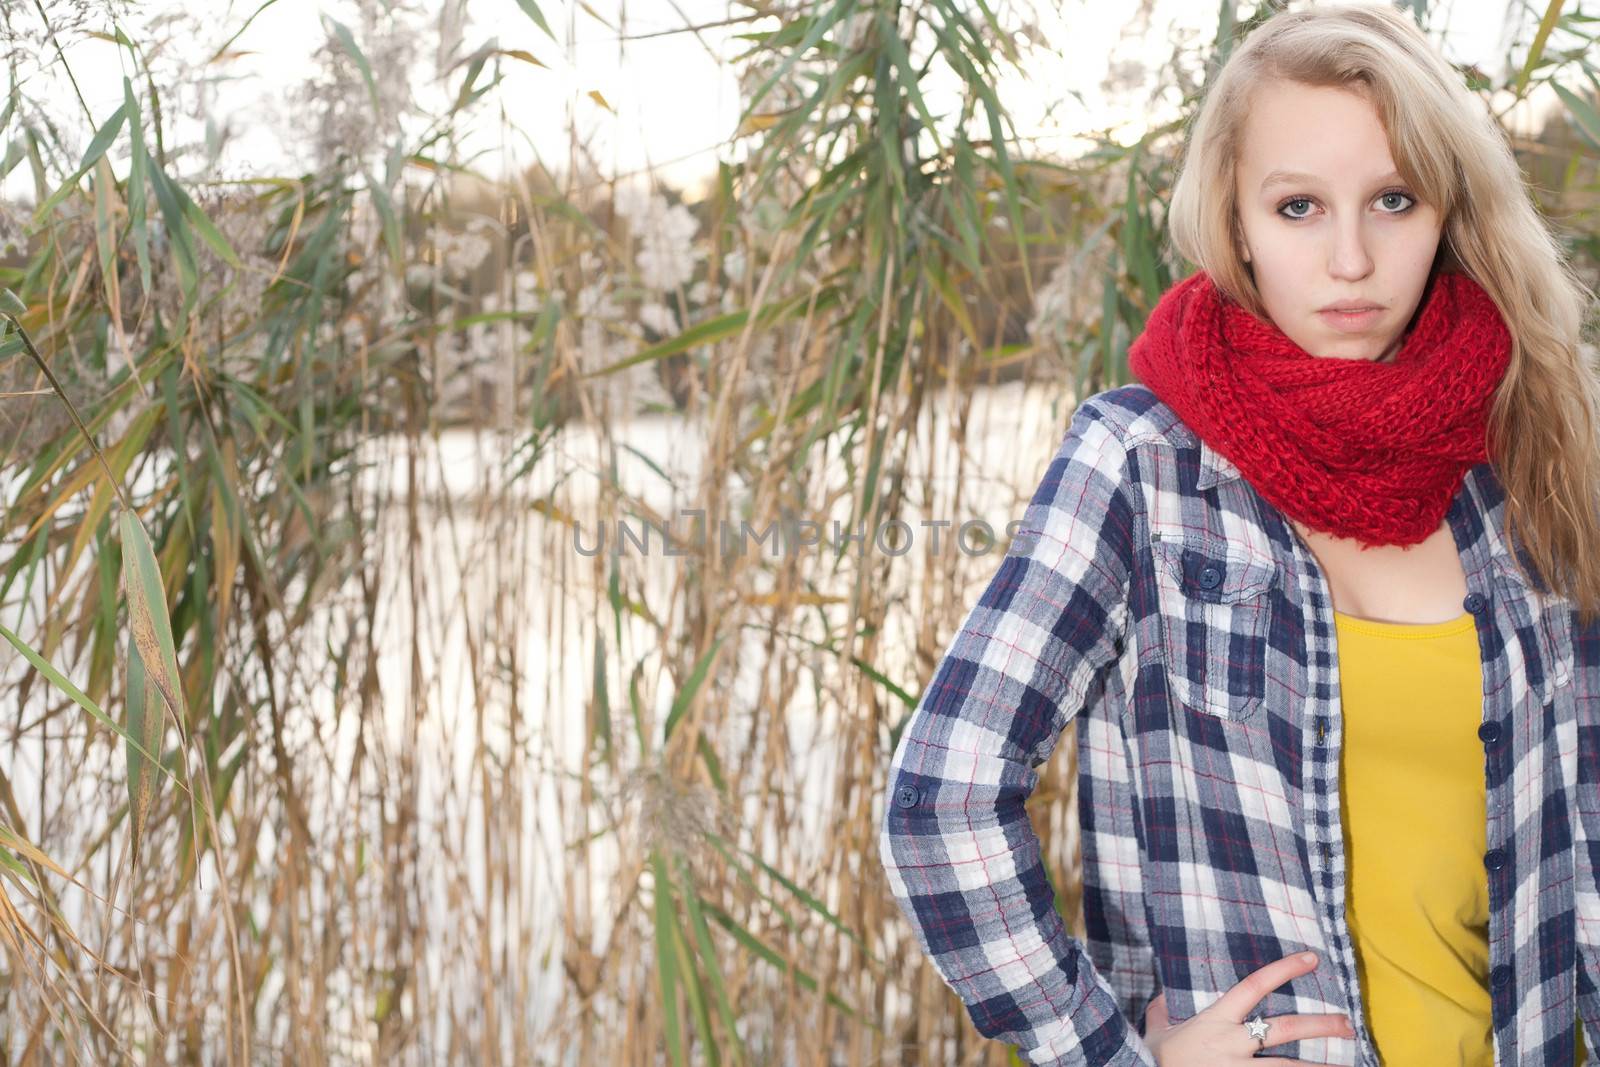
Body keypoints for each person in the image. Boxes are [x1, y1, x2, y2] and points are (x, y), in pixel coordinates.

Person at [877, 3, 1600, 1065]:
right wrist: (1109, 1052)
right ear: (1236, 221)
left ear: (1448, 212)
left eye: (1392, 200)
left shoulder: (1529, 458)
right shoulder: (1141, 466)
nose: (1349, 258)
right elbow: (941, 798)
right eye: (1298, 205)